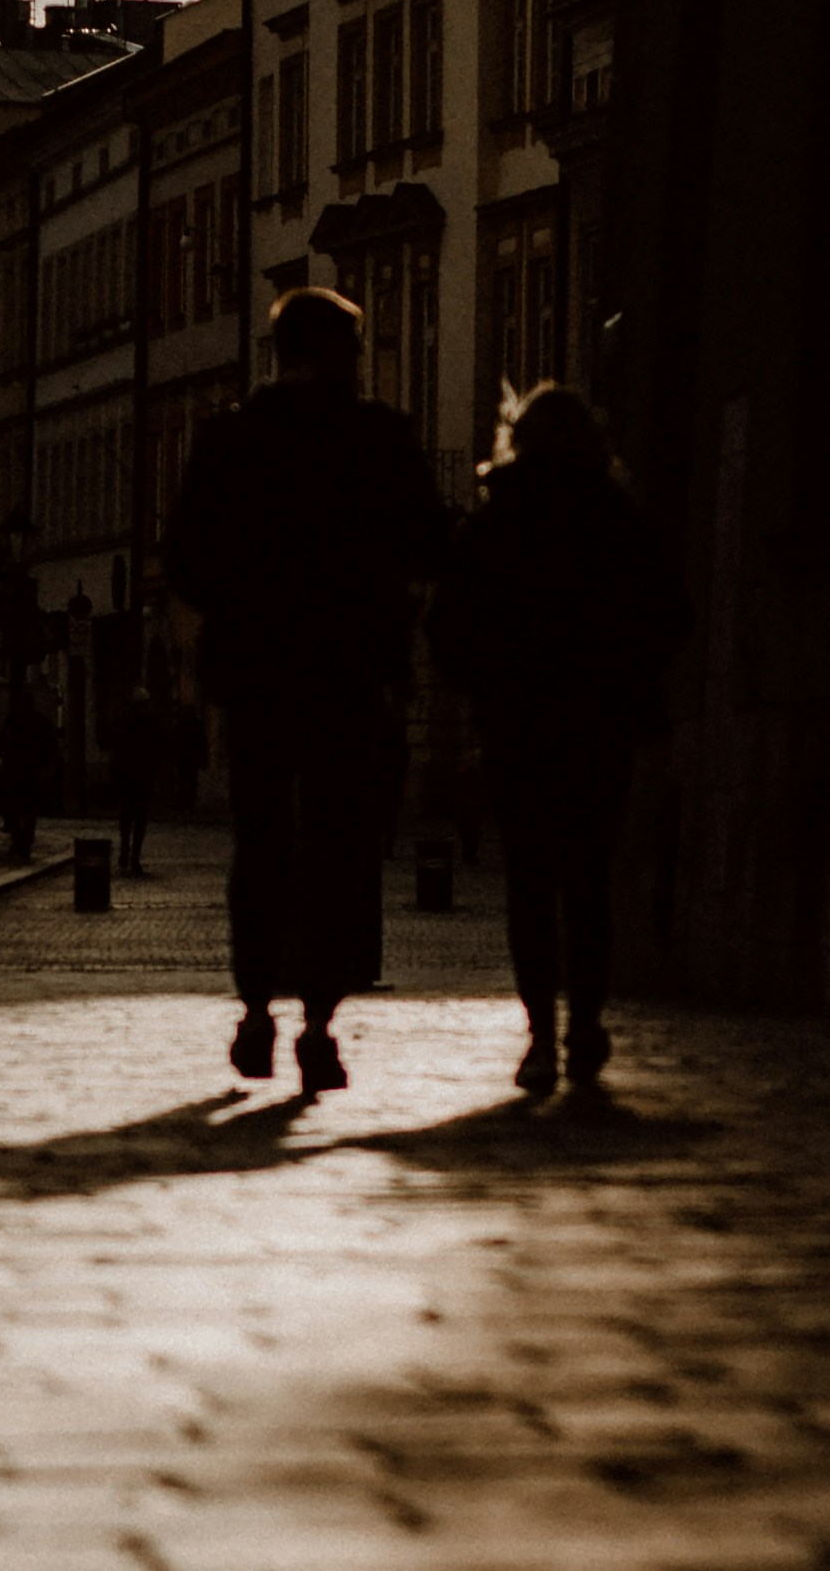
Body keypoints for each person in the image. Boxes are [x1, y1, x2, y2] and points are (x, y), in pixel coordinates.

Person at [166, 287, 449, 1093]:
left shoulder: (228, 440)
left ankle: (255, 1009)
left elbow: (184, 558)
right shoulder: (376, 439)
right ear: (336, 353)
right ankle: (319, 1024)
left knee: (257, 842)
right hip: (346, 672)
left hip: (254, 671)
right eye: (357, 352)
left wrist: (242, 598)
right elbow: (427, 546)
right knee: (336, 846)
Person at [426, 385, 690, 1096]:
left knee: (530, 885)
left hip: (518, 725)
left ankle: (540, 1035)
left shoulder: (495, 522)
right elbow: (670, 610)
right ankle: (587, 1028)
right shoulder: (618, 519)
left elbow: (448, 627)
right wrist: (625, 671)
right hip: (600, 725)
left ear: (520, 442)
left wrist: (485, 686)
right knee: (588, 881)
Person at [112, 686, 167, 875]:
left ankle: (130, 854)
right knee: (132, 819)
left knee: (133, 819)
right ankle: (129, 853)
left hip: (137, 777)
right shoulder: (144, 724)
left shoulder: (132, 723)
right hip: (136, 777)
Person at [0, 691, 57, 860]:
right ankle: (22, 841)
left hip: (23, 771)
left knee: (20, 809)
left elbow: (4, 741)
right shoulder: (36, 721)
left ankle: (21, 841)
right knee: (22, 810)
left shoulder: (20, 721)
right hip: (24, 771)